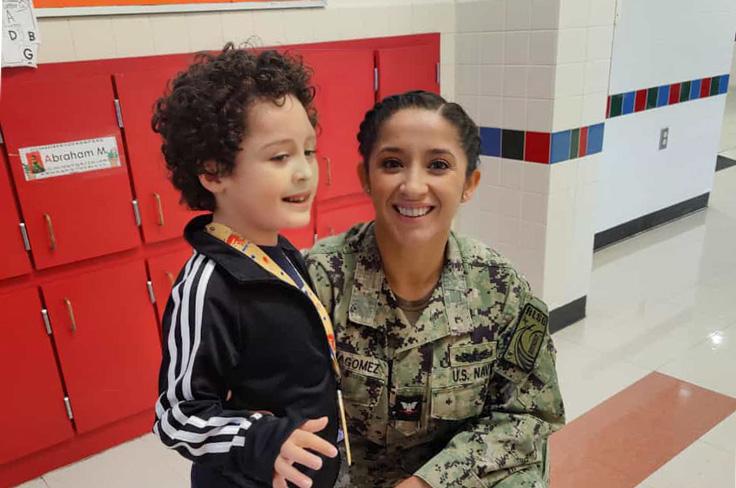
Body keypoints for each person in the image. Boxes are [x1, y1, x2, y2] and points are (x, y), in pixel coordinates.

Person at [305, 90, 565, 487]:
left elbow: (529, 415)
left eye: (438, 165)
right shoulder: (321, 281)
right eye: (392, 163)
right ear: (365, 178)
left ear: (469, 183)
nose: (413, 185)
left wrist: (428, 483)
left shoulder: (499, 287)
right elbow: (289, 417)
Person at [151, 44, 343, 488]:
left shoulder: (284, 255)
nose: (304, 172)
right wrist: (262, 440)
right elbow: (177, 415)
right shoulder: (207, 287)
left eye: (309, 152)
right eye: (280, 157)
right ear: (214, 172)